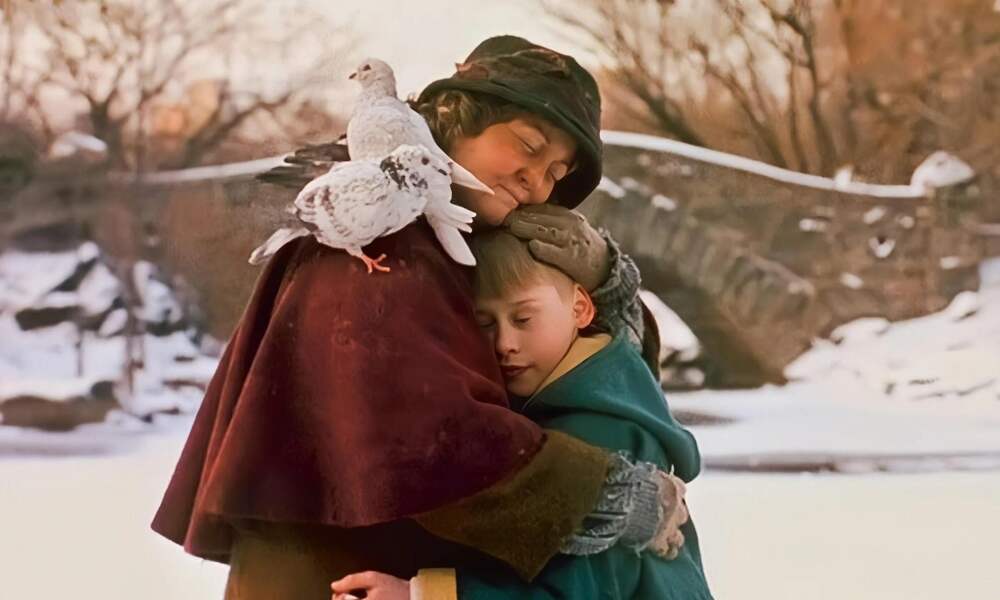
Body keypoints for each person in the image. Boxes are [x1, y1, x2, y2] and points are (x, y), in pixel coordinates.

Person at [151, 35, 686, 600]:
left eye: (556, 173)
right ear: (453, 117)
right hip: (333, 578)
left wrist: (605, 285)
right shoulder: (381, 236)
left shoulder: (448, 235)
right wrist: (609, 499)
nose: (536, 181)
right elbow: (430, 436)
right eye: (527, 146)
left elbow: (585, 377)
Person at [331, 230, 713, 599]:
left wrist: (422, 595)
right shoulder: (612, 386)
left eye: (524, 319)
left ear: (581, 308)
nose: (504, 344)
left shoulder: (596, 434)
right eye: (484, 324)